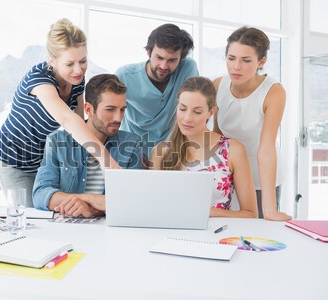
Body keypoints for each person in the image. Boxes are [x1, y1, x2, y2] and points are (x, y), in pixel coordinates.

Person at [0, 19, 120, 207]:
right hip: (14, 161)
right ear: (52, 61)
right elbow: (67, 119)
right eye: (69, 64)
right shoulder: (39, 80)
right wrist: (105, 160)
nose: (78, 70)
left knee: (54, 214)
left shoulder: (77, 82)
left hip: (44, 161)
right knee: (29, 218)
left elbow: (79, 123)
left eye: (83, 61)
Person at [32, 74, 143, 217]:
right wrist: (93, 202)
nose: (118, 118)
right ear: (89, 109)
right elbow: (41, 194)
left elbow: (133, 201)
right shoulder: (57, 141)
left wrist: (91, 206)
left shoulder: (132, 144)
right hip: (67, 228)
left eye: (122, 110)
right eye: (110, 109)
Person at [213, 26, 291, 221]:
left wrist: (270, 209)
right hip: (228, 176)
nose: (236, 67)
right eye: (231, 58)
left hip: (260, 178)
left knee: (260, 235)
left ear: (261, 62)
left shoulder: (273, 92)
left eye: (246, 60)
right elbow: (216, 137)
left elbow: (266, 149)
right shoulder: (217, 85)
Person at [150, 76, 257, 218]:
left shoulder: (232, 151)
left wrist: (209, 212)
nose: (187, 118)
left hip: (216, 234)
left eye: (197, 112)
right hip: (172, 234)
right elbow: (153, 206)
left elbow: (251, 214)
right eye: (182, 109)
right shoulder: (160, 152)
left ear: (211, 112)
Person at [115, 23, 199, 165]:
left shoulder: (187, 67)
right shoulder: (124, 76)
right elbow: (111, 115)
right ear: (148, 52)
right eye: (159, 57)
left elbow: (194, 108)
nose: (164, 66)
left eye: (172, 60)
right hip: (130, 149)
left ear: (181, 59)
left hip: (170, 149)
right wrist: (133, 152)